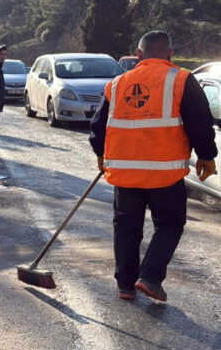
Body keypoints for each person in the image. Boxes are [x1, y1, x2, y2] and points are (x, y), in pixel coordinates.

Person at [89, 30, 217, 302]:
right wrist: (207, 155)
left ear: (138, 55)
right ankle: (149, 277)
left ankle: (125, 285)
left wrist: (100, 153)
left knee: (126, 226)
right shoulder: (182, 79)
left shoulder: (117, 83)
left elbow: (98, 126)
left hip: (125, 173)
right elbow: (200, 123)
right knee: (169, 224)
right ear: (170, 54)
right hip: (165, 173)